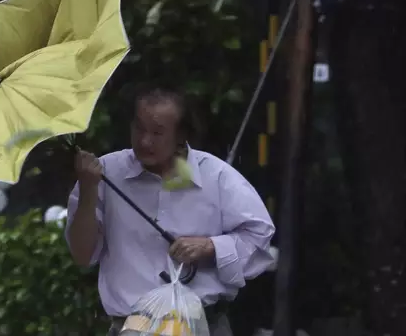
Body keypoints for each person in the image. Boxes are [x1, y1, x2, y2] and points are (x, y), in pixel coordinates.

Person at [65, 86, 276, 336]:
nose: (145, 141)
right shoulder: (105, 173)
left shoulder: (216, 176)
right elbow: (82, 255)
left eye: (157, 132)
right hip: (132, 327)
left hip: (203, 326)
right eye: (139, 129)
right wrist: (88, 191)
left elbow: (259, 238)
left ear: (181, 134)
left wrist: (211, 247)